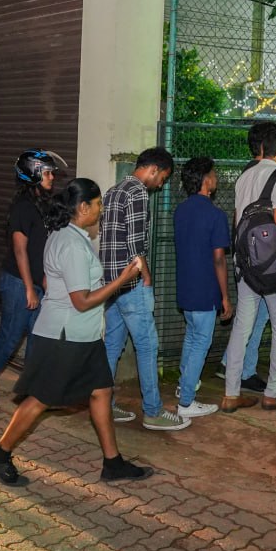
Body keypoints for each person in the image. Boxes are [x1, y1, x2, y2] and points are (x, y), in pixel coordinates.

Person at [0, 177, 151, 486]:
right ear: (83, 207)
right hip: (65, 336)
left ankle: (112, 463)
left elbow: (49, 282)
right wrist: (124, 278)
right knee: (40, 400)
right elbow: (82, 301)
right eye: (98, 204)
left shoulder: (65, 235)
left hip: (81, 335)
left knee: (101, 392)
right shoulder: (72, 243)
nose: (101, 210)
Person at [0, 150, 60, 412]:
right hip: (18, 284)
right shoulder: (23, 207)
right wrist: (29, 287)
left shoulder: (44, 203)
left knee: (38, 339)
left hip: (35, 283)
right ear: (34, 175)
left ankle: (30, 394)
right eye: (47, 172)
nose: (52, 177)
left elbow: (43, 247)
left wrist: (46, 279)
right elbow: (20, 250)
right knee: (9, 339)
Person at [101, 147, 185, 430]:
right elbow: (136, 246)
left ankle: (104, 406)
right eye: (162, 177)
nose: (161, 184)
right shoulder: (137, 192)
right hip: (132, 283)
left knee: (112, 346)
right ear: (153, 169)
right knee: (148, 346)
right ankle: (152, 412)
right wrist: (146, 278)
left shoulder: (113, 191)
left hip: (112, 283)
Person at [221, 123, 276, 413]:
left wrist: (240, 259)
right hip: (273, 265)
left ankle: (230, 394)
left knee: (242, 326)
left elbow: (236, 218)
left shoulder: (245, 174)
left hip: (245, 263)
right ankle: (271, 392)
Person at [172, 157, 231, 418]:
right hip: (206, 288)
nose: (216, 178)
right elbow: (219, 258)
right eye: (214, 174)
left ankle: (185, 385)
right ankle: (186, 402)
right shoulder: (216, 215)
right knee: (200, 343)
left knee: (192, 337)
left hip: (185, 286)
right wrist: (225, 296)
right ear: (206, 180)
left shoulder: (180, 211)